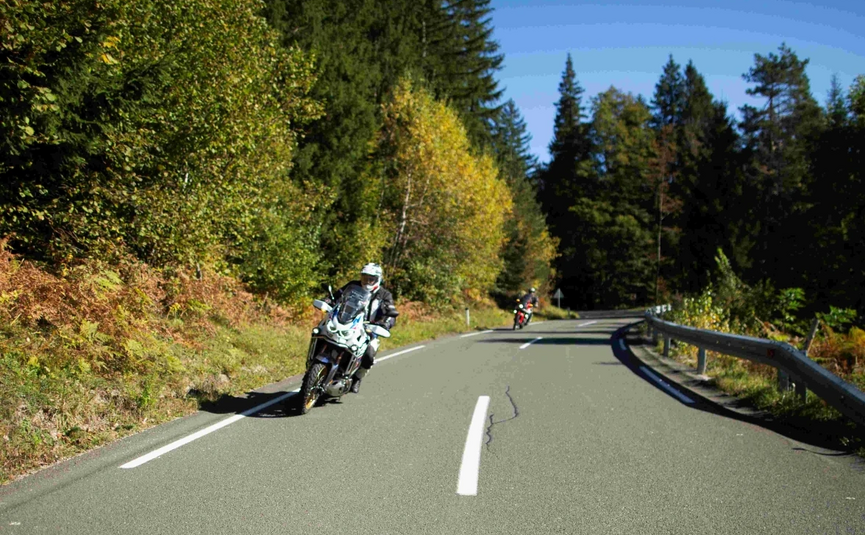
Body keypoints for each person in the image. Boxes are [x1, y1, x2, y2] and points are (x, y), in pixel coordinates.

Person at [327, 263, 398, 393]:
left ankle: (357, 378)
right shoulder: (353, 286)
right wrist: (327, 301)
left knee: (370, 353)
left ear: (378, 279)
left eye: (371, 279)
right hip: (347, 321)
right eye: (365, 277)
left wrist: (385, 324)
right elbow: (337, 296)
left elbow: (391, 313)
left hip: (368, 328)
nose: (367, 281)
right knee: (326, 334)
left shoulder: (384, 294)